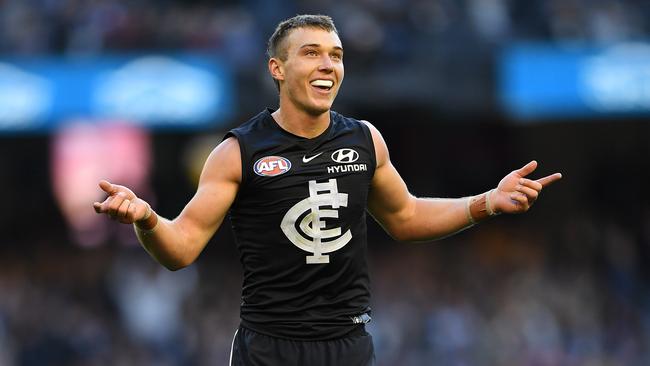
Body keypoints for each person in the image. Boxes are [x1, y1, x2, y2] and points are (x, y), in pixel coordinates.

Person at [93, 14, 562, 366]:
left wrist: (486, 204)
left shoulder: (364, 139)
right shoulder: (238, 152)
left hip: (348, 346)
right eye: (312, 53)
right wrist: (147, 219)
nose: (328, 65)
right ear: (277, 69)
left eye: (336, 55)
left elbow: (406, 217)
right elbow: (180, 250)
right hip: (269, 349)